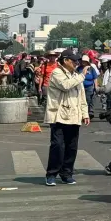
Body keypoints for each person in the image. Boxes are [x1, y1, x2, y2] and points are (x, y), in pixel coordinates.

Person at [44, 50, 90, 186]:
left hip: (74, 115)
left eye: (77, 61)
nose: (76, 63)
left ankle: (66, 173)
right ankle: (51, 173)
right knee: (58, 145)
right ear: (65, 61)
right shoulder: (57, 73)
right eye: (74, 60)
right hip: (59, 115)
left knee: (72, 146)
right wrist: (82, 76)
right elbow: (65, 85)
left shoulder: (76, 75)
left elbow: (82, 96)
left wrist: (85, 113)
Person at [77, 54, 98, 119]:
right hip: (80, 86)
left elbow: (95, 78)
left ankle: (89, 112)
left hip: (89, 87)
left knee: (88, 99)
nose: (83, 62)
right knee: (81, 100)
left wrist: (96, 87)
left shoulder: (91, 69)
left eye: (85, 61)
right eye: (82, 61)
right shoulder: (79, 68)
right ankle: (82, 113)